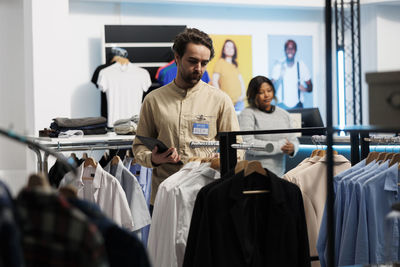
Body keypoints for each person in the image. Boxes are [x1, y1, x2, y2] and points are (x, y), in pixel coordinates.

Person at [132, 28, 241, 206]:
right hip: (166, 197)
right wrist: (154, 158)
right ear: (177, 57)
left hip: (206, 198)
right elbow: (139, 147)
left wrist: (221, 161)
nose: (198, 69)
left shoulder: (220, 100)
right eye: (192, 61)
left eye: (204, 63)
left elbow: (236, 148)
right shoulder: (153, 100)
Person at [238, 75, 299, 177]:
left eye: (269, 90)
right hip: (254, 174)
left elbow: (294, 140)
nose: (266, 95)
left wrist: (293, 148)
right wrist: (280, 146)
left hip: (279, 175)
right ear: (253, 95)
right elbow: (248, 144)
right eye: (261, 92)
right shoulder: (247, 114)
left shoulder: (284, 114)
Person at [271, 39, 312, 109]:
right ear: (285, 50)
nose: (290, 50)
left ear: (295, 50)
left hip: (298, 106)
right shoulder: (279, 66)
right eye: (288, 48)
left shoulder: (301, 66)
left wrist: (305, 89)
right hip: (281, 106)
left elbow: (310, 87)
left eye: (292, 48)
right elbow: (270, 87)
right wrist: (280, 77)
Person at [212, 39, 246, 112]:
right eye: (227, 47)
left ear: (234, 50)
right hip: (226, 102)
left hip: (239, 102)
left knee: (240, 122)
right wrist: (222, 97)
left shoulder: (235, 65)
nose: (230, 49)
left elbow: (241, 82)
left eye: (232, 47)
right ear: (224, 50)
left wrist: (243, 95)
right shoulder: (219, 63)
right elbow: (214, 82)